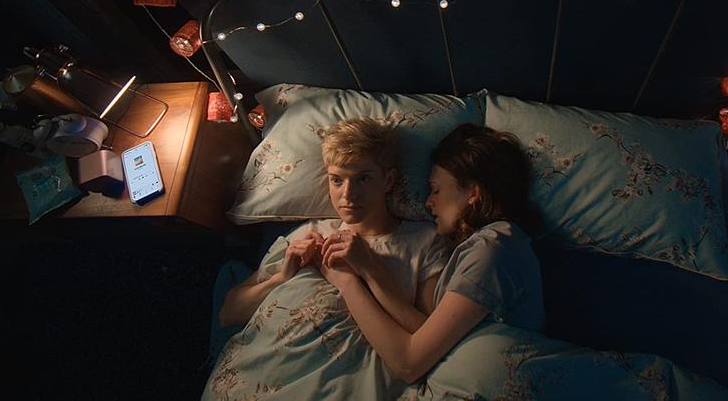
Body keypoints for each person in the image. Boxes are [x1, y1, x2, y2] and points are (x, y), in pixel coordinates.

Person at [202, 118, 450, 401]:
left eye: (363, 178)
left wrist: (370, 269)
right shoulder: (311, 232)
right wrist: (280, 278)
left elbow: (428, 336)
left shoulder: (423, 242)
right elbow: (228, 313)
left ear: (389, 180)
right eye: (337, 180)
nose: (348, 194)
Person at [321, 123, 545, 384]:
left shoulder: (493, 249)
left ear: (473, 194)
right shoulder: (481, 247)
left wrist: (348, 281)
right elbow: (425, 332)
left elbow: (409, 363)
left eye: (436, 189)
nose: (428, 202)